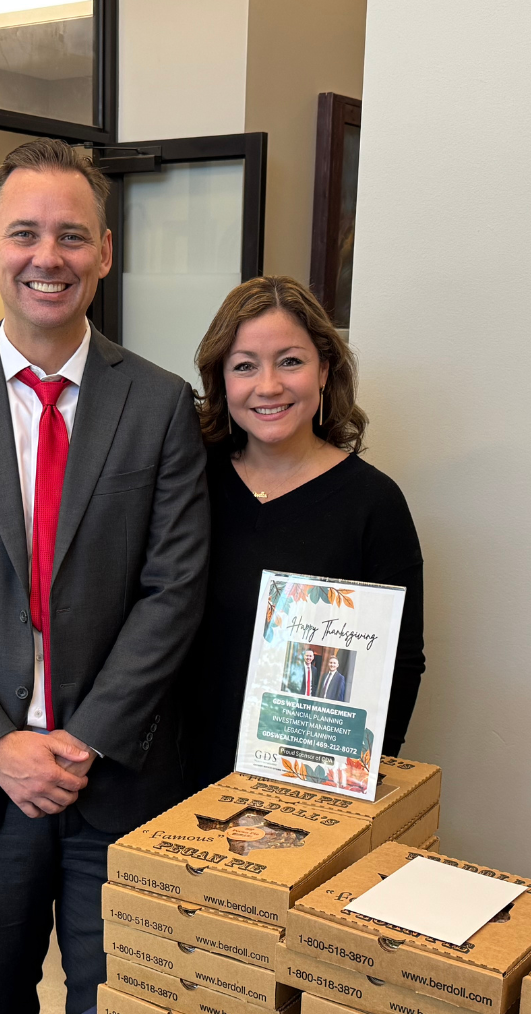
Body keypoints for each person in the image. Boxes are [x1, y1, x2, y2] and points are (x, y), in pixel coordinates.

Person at [0, 139, 211, 1014]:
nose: (47, 257)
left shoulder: (160, 403)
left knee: (121, 999)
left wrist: (85, 739)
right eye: (25, 233)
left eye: (72, 235)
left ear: (105, 252)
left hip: (119, 772)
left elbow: (174, 589)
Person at [180, 275, 425, 786]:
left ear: (324, 371)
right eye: (245, 366)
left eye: (290, 361)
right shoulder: (185, 481)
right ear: (221, 380)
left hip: (302, 784)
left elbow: (399, 664)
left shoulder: (374, 503)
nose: (268, 386)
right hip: (172, 775)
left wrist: (348, 783)